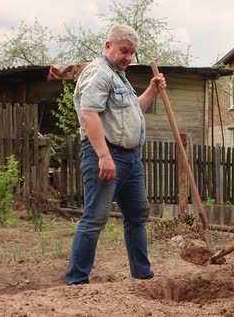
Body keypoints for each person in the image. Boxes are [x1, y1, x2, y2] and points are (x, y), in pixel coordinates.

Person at [65, 24, 166, 285]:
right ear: (108, 45)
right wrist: (103, 156)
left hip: (130, 157)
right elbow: (89, 114)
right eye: (124, 51)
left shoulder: (118, 75)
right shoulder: (98, 73)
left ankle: (143, 276)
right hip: (107, 154)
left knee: (137, 215)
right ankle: (76, 281)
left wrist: (152, 91)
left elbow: (133, 110)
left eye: (132, 53)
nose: (128, 58)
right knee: (96, 216)